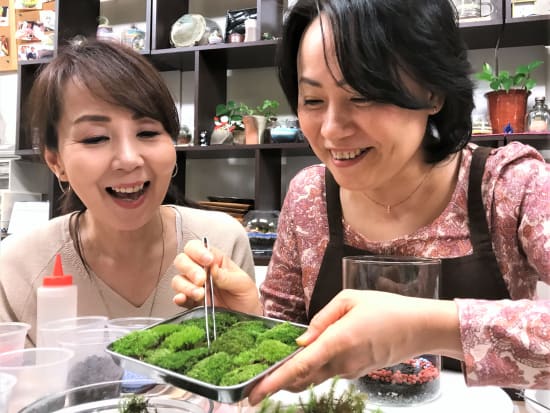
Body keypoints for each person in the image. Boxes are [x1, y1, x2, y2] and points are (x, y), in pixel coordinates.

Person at [171, 0, 550, 404]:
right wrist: (250, 320)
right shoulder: (309, 197)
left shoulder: (508, 185)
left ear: (433, 91)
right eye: (313, 101)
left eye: (364, 96)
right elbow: (291, 359)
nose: (332, 130)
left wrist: (426, 327)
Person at [0, 40, 255, 346]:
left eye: (147, 133)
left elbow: (245, 382)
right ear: (56, 161)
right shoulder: (16, 269)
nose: (130, 159)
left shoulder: (219, 243)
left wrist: (250, 329)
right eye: (95, 138)